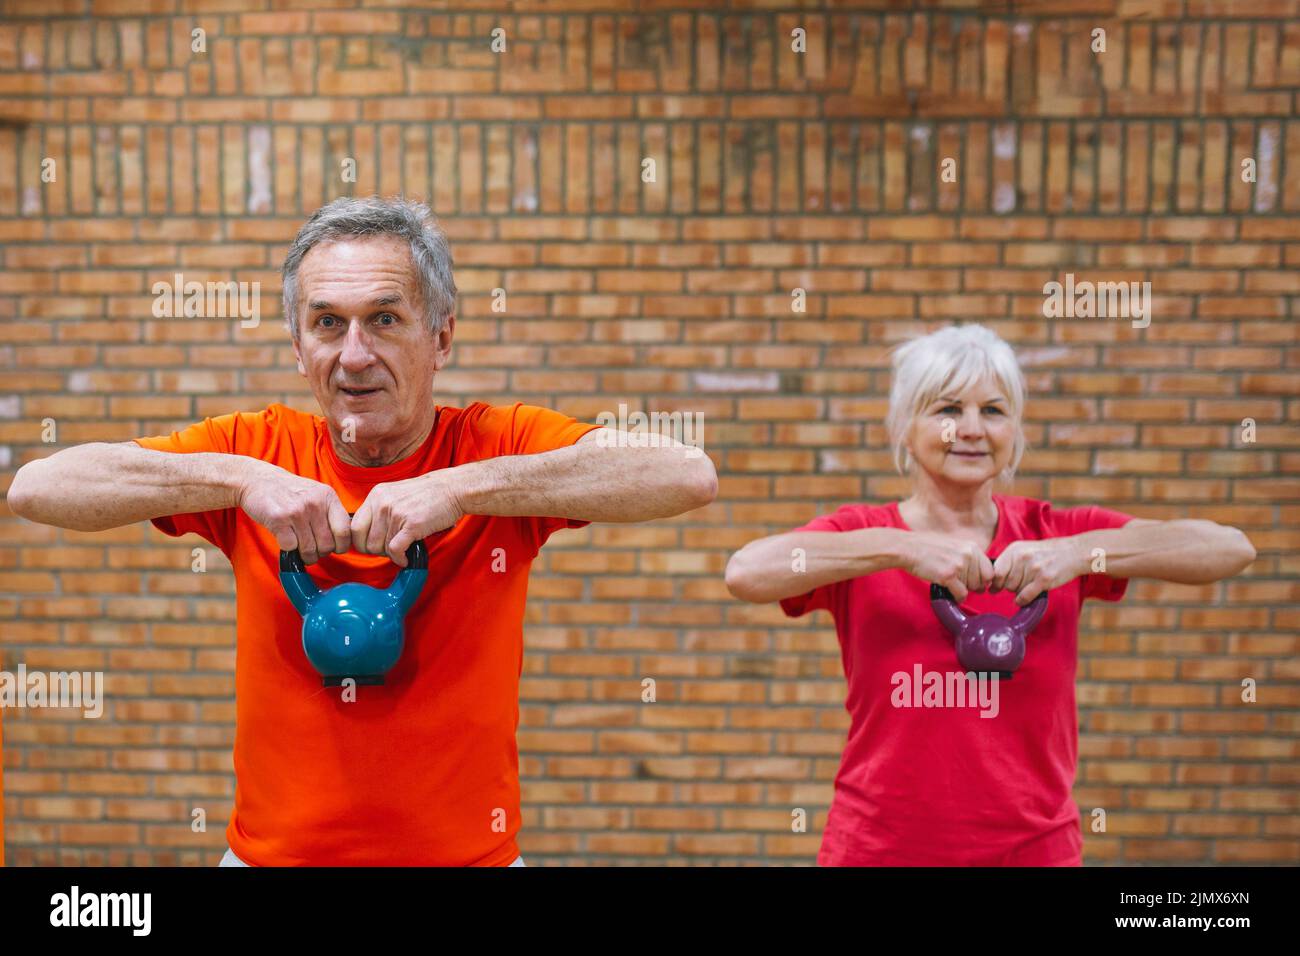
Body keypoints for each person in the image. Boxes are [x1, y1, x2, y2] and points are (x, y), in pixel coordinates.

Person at [8, 196, 718, 867]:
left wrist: (459, 488)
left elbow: (685, 474)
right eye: (327, 323)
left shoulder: (495, 447)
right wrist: (239, 480)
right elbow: (38, 488)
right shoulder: (256, 451)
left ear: (440, 338)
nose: (353, 355)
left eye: (384, 319)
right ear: (298, 347)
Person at [724, 323, 1255, 866]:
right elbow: (746, 572)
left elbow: (1229, 549)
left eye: (994, 411)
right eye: (948, 409)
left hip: (1034, 853)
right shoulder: (863, 535)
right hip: (877, 851)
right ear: (906, 427)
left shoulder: (1056, 535)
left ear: (1015, 431)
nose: (972, 429)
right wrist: (900, 548)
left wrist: (1078, 553)